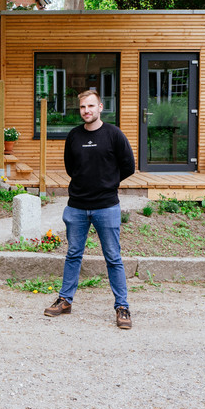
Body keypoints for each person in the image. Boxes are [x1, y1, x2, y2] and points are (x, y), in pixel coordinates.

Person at [44, 90, 135, 329]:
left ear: (100, 107)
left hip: (106, 206)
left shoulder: (114, 134)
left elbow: (128, 166)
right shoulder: (74, 136)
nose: (87, 111)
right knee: (73, 254)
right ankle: (65, 300)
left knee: (113, 257)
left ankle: (122, 307)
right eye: (83, 107)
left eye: (91, 106)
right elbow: (70, 167)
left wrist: (108, 183)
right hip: (77, 207)